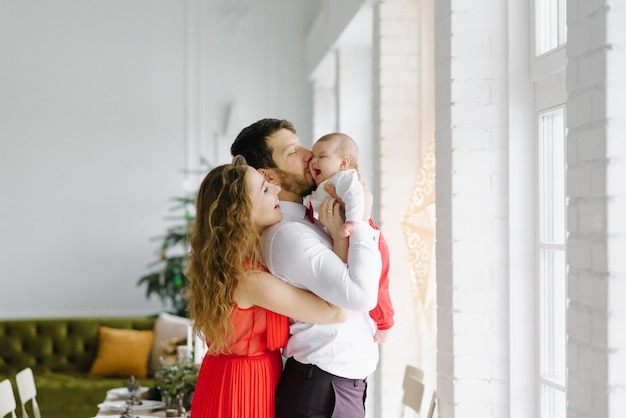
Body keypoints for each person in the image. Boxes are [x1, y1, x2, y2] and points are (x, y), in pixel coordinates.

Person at [231, 118, 383, 418]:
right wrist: (361, 221)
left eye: (302, 144)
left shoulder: (311, 220)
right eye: (292, 152)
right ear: (268, 177)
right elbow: (362, 296)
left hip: (332, 386)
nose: (309, 154)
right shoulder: (289, 235)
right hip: (323, 392)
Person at [187, 155, 349, 418]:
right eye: (264, 188)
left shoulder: (235, 263)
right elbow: (336, 312)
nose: (275, 188)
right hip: (241, 391)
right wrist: (339, 235)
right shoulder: (250, 281)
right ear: (240, 213)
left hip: (231, 379)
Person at [306, 132, 395, 343]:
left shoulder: (344, 178)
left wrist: (355, 221)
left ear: (343, 162)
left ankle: (384, 324)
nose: (314, 161)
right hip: (353, 233)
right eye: (312, 158)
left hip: (364, 234)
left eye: (322, 156)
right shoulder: (324, 185)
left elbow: (356, 197)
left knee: (379, 284)